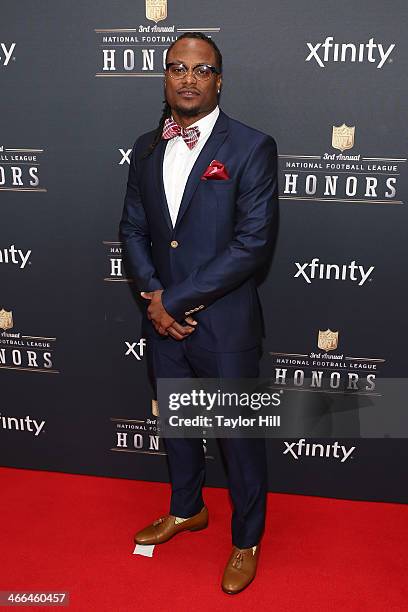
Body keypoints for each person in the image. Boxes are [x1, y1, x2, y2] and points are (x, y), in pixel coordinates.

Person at [119, 31, 278, 595]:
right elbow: (134, 228)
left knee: (238, 440)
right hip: (163, 324)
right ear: (165, 76)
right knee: (180, 430)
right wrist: (154, 296)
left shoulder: (251, 147)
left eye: (201, 69)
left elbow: (253, 245)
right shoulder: (145, 146)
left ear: (218, 80)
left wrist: (175, 301)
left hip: (225, 325)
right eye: (177, 68)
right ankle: (187, 509)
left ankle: (246, 538)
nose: (187, 78)